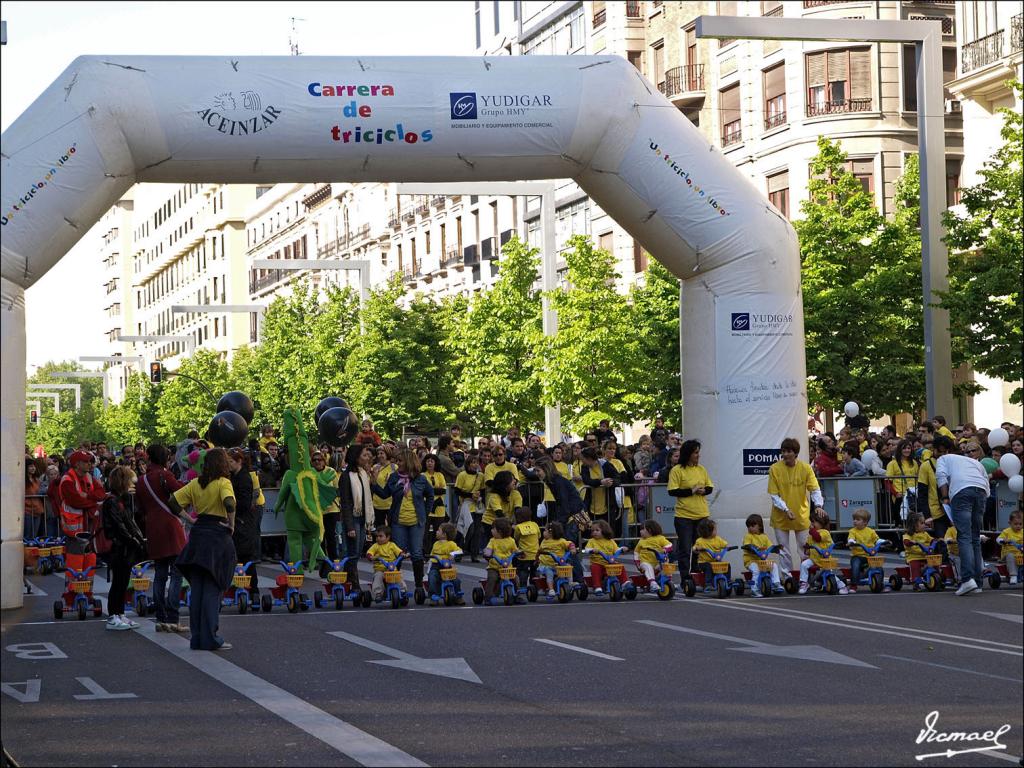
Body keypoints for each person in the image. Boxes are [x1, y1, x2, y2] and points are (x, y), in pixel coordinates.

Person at [168, 448, 237, 652]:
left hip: (198, 535)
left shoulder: (196, 483)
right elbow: (229, 502)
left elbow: (172, 501)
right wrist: (231, 524)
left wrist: (190, 519)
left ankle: (196, 638)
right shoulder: (223, 483)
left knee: (197, 589)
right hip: (217, 535)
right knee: (212, 589)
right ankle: (211, 638)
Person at [136, 444, 187, 633]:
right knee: (176, 574)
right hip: (170, 527)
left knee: (159, 574)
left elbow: (141, 509)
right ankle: (173, 617)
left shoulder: (141, 481)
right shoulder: (165, 475)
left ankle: (160, 617)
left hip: (153, 528)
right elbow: (180, 492)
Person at [933, 435, 989, 596]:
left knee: (964, 536)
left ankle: (967, 579)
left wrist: (945, 497)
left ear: (938, 450)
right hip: (981, 491)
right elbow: (985, 478)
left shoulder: (943, 459)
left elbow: (941, 477)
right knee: (975, 537)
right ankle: (978, 583)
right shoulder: (971, 461)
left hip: (961, 491)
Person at [379, 448, 434, 600]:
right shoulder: (394, 477)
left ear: (409, 462)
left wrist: (426, 512)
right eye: (396, 461)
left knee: (417, 553)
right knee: (398, 554)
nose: (397, 463)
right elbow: (385, 494)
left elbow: (430, 495)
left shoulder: (421, 479)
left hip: (416, 522)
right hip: (398, 522)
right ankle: (393, 584)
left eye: (400, 461)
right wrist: (373, 483)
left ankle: (418, 587)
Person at [767, 437, 824, 573]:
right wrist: (786, 509)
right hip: (780, 516)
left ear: (795, 453)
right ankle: (788, 579)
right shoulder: (774, 469)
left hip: (801, 515)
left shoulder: (805, 468)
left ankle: (807, 577)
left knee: (805, 548)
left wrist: (818, 505)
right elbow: (774, 495)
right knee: (784, 550)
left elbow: (815, 489)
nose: (785, 454)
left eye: (788, 451)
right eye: (783, 451)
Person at [101, 466, 146, 631]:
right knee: (118, 581)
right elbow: (119, 525)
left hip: (125, 546)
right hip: (118, 546)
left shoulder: (122, 500)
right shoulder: (112, 501)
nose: (133, 484)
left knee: (123, 581)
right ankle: (113, 615)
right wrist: (133, 540)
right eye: (130, 481)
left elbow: (128, 522)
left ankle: (120, 613)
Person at [666, 439, 713, 580]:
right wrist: (691, 491)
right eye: (696, 453)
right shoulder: (677, 470)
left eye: (698, 452)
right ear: (688, 454)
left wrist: (703, 490)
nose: (698, 455)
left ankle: (697, 573)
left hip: (702, 514)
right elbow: (672, 491)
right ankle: (685, 577)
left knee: (699, 548)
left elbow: (710, 487)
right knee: (686, 549)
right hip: (684, 516)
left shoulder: (701, 469)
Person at [58, 450, 108, 580]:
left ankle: (87, 592)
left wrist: (88, 496)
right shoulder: (67, 480)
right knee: (75, 563)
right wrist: (94, 502)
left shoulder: (90, 477)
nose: (89, 464)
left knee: (90, 561)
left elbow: (101, 493)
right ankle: (72, 595)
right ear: (77, 464)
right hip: (75, 530)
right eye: (86, 462)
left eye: (90, 462)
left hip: (90, 527)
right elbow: (76, 501)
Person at [337, 442, 376, 591]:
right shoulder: (347, 476)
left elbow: (369, 496)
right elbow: (345, 502)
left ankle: (346, 580)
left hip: (362, 517)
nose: (367, 458)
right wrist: (349, 526)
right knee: (353, 553)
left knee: (357, 552)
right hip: (353, 518)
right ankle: (355, 585)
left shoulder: (363, 473)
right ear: (356, 457)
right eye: (364, 455)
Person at [228, 448, 259, 597]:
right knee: (240, 558)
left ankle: (253, 590)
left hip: (243, 522)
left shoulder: (244, 478)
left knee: (245, 558)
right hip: (239, 522)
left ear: (239, 461)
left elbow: (245, 503)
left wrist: (229, 504)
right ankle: (244, 588)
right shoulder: (234, 476)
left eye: (231, 461)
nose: (228, 464)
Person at [798, 509, 848, 595]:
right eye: (811, 522)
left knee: (829, 573)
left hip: (825, 559)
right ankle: (804, 583)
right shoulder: (811, 535)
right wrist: (806, 551)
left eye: (814, 522)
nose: (812, 524)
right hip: (814, 559)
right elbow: (808, 545)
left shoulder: (825, 533)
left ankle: (842, 586)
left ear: (821, 522)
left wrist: (811, 530)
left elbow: (818, 538)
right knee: (804, 564)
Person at [741, 513, 785, 597]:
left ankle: (776, 583)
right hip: (750, 561)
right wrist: (750, 547)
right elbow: (747, 545)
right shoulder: (748, 536)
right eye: (748, 526)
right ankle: (754, 589)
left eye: (753, 526)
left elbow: (770, 546)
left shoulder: (764, 537)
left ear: (760, 526)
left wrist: (776, 548)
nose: (750, 528)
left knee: (774, 565)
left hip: (761, 561)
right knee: (756, 570)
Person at [454, 454, 486, 561]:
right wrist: (470, 495)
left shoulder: (480, 476)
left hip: (477, 505)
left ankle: (474, 554)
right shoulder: (462, 475)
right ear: (468, 464)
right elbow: (457, 490)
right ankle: (459, 551)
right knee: (467, 529)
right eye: (472, 462)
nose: (474, 464)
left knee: (477, 531)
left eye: (476, 462)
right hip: (466, 504)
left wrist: (479, 496)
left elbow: (482, 489)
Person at [482, 518, 522, 604]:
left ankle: (516, 596)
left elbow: (515, 550)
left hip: (507, 566)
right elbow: (488, 549)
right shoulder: (493, 541)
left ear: (499, 531)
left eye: (493, 528)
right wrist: (487, 553)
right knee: (492, 578)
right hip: (494, 567)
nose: (491, 530)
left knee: (516, 578)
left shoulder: (511, 540)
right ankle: (488, 597)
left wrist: (520, 553)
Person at [582, 519, 624, 596]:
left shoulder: (610, 541)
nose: (594, 532)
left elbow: (616, 549)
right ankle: (597, 587)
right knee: (595, 568)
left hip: (609, 563)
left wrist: (622, 549)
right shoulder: (592, 541)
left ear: (604, 530)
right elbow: (586, 549)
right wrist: (592, 550)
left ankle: (625, 583)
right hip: (598, 563)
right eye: (592, 531)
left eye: (597, 530)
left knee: (619, 566)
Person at [903, 512, 943, 590]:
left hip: (925, 555)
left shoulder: (925, 534)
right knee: (915, 566)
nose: (924, 525)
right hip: (914, 557)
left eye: (924, 523)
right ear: (914, 525)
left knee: (935, 562)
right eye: (922, 523)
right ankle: (916, 582)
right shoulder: (909, 535)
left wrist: (937, 540)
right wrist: (911, 542)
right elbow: (906, 541)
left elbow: (931, 539)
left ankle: (939, 578)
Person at [426, 522, 464, 604]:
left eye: (438, 530)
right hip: (436, 565)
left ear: (444, 534)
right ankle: (433, 596)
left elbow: (459, 551)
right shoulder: (435, 544)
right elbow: (431, 556)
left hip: (447, 566)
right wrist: (429, 562)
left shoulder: (451, 544)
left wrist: (453, 554)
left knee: (456, 580)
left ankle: (458, 596)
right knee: (432, 577)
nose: (436, 532)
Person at [366, 526, 407, 601]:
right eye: (377, 536)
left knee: (399, 575)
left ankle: (403, 590)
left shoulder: (392, 545)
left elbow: (399, 551)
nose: (378, 538)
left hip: (391, 568)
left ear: (388, 537)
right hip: (380, 569)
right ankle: (378, 593)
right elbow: (369, 552)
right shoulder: (375, 546)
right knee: (378, 577)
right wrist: (371, 556)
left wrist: (402, 554)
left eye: (381, 536)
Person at [536, 521, 577, 597]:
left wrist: (572, 549)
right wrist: (537, 559)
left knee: (568, 566)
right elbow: (539, 551)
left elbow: (570, 543)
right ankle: (551, 589)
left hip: (559, 564)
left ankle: (570, 582)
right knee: (549, 573)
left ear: (551, 533)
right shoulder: (544, 542)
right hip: (546, 565)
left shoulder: (561, 541)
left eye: (545, 530)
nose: (543, 532)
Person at [845, 509, 882, 591]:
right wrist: (851, 542)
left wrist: (882, 542)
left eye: (858, 519)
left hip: (869, 555)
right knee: (855, 565)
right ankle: (853, 585)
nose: (855, 521)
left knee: (879, 566)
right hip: (857, 555)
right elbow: (851, 538)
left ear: (865, 522)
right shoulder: (853, 531)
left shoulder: (871, 531)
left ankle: (881, 584)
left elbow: (876, 539)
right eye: (854, 519)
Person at [633, 519, 672, 593]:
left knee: (666, 563)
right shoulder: (641, 541)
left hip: (657, 562)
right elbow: (636, 552)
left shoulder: (660, 538)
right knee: (648, 566)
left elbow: (669, 544)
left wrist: (665, 549)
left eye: (642, 529)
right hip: (645, 562)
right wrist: (637, 563)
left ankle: (668, 580)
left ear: (649, 530)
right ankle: (652, 583)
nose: (640, 531)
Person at [886, 440, 919, 521]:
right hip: (900, 495)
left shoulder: (914, 463)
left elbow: (918, 479)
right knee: (901, 521)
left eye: (909, 448)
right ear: (899, 450)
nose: (907, 450)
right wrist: (895, 493)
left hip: (913, 496)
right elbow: (887, 482)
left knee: (913, 521)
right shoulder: (892, 464)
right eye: (904, 448)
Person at [422, 454, 448, 555]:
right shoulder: (423, 475)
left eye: (432, 461)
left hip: (439, 508)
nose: (430, 463)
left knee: (439, 532)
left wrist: (431, 491)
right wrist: (435, 491)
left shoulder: (440, 475)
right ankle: (426, 552)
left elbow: (443, 490)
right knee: (425, 532)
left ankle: (437, 551)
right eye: (428, 461)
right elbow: (424, 491)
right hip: (427, 507)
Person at [692, 518, 731, 586]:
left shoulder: (718, 539)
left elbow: (725, 544)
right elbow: (694, 548)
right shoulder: (700, 541)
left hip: (716, 562)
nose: (716, 531)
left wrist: (727, 547)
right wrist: (697, 548)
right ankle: (708, 583)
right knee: (709, 566)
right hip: (703, 563)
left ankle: (728, 580)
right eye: (715, 529)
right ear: (708, 531)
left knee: (727, 565)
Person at [513, 507, 541, 588]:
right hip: (535, 554)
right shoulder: (535, 524)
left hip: (523, 555)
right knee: (534, 571)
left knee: (523, 571)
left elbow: (516, 538)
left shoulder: (518, 527)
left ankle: (522, 586)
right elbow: (539, 536)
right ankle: (534, 587)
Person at [996, 510, 1023, 586]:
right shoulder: (1006, 532)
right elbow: (998, 539)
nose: (1018, 526)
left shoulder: (1022, 532)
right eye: (1015, 524)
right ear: (1010, 523)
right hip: (1007, 555)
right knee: (1010, 556)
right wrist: (1003, 540)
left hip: (1020, 555)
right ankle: (1013, 575)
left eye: (1020, 524)